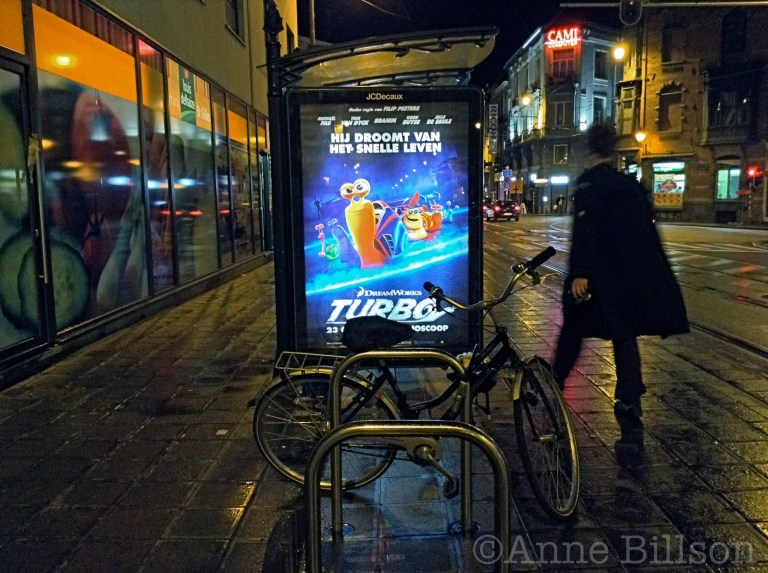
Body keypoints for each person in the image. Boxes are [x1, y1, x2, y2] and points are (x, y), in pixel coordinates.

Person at [551, 122, 689, 421]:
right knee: (623, 331)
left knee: (574, 324)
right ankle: (629, 396)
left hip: (596, 275)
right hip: (625, 275)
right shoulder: (629, 186)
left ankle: (555, 379)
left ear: (589, 149)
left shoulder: (590, 186)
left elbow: (587, 231)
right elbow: (644, 232)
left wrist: (581, 272)